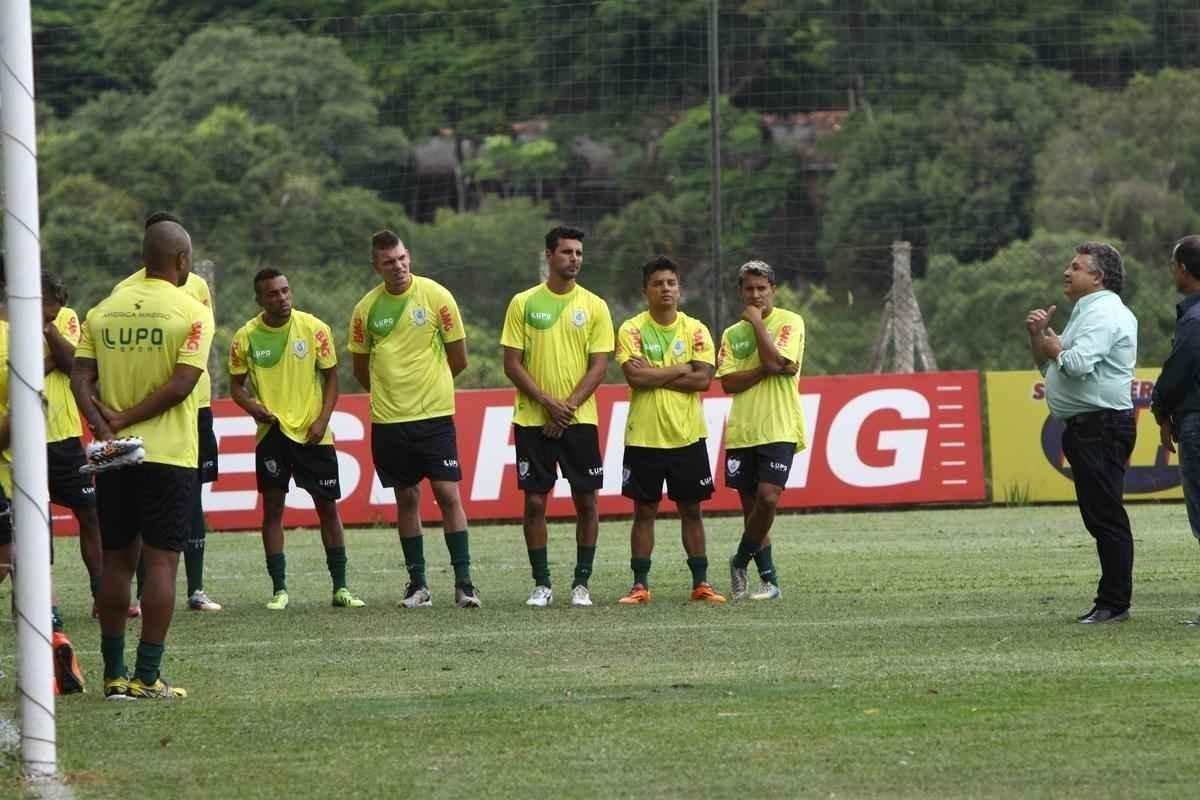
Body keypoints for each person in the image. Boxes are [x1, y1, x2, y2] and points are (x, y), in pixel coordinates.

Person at [71, 218, 212, 698]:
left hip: (113, 452)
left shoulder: (102, 311)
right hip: (169, 453)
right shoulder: (191, 309)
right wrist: (129, 417)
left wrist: (105, 424)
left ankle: (112, 675)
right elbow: (182, 385)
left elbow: (79, 377)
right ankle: (146, 677)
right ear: (181, 261)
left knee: (116, 562)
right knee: (161, 565)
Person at [349, 231, 479, 608]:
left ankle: (465, 583)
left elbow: (460, 358)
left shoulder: (438, 297)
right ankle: (418, 585)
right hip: (390, 421)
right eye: (390, 262)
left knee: (447, 493)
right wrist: (394, 395)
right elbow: (361, 368)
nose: (399, 266)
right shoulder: (365, 310)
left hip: (436, 417)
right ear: (377, 267)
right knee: (406, 497)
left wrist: (430, 389)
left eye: (403, 258)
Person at [231, 269, 365, 611]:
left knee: (327, 508)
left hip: (312, 433)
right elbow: (236, 386)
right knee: (273, 509)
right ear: (260, 299)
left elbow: (332, 378)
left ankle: (341, 588)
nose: (282, 298)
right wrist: (252, 407)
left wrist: (322, 420)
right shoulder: (245, 337)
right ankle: (279, 590)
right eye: (273, 294)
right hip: (272, 434)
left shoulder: (315, 328)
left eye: (286, 290)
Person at [113, 211, 221, 613]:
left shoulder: (197, 289)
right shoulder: (124, 291)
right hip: (146, 414)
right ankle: (142, 595)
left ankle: (196, 589)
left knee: (192, 498)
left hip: (197, 405)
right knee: (140, 511)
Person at [501, 225, 614, 607]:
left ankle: (581, 584)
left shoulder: (595, 306)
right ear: (549, 255)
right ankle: (542, 583)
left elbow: (599, 365)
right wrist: (548, 403)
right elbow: (512, 364)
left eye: (579, 253)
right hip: (534, 420)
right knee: (535, 502)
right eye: (567, 252)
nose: (574, 259)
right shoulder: (523, 303)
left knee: (587, 501)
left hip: (579, 420)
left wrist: (565, 410)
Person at [1026, 242, 1138, 624]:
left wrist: (1056, 346)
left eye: (1075, 266)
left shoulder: (1104, 314)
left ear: (1097, 277)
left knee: (1105, 517)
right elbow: (1051, 372)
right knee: (1100, 516)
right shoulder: (1087, 313)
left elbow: (1074, 364)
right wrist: (1038, 338)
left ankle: (1114, 603)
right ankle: (1110, 600)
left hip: (1101, 426)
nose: (1066, 271)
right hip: (1088, 427)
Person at [614, 256, 725, 604]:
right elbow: (635, 377)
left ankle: (701, 583)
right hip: (644, 436)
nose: (666, 289)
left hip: (687, 435)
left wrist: (656, 373)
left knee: (691, 510)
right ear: (645, 290)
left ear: (679, 289)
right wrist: (681, 368)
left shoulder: (695, 329)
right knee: (644, 511)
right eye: (658, 283)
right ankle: (640, 585)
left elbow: (704, 379)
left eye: (671, 283)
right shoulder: (631, 329)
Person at [0, 259, 84, 694]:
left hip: (11, 465)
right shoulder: (20, 341)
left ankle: (45, 653)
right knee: (28, 565)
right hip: (27, 470)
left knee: (14, 561)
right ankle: (54, 639)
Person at [717, 261, 806, 602]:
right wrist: (766, 368)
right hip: (743, 429)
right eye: (749, 289)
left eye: (762, 288)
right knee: (752, 509)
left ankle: (739, 560)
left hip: (780, 425)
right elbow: (728, 383)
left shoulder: (790, 321)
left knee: (768, 499)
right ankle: (769, 581)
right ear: (740, 291)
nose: (755, 295)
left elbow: (777, 364)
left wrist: (757, 325)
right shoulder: (730, 334)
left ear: (773, 290)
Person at [40, 271, 104, 612]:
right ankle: (39, 601)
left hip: (64, 435)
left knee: (90, 513)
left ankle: (101, 595)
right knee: (34, 524)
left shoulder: (63, 318)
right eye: (53, 303)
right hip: (19, 441)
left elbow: (71, 365)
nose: (60, 309)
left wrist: (47, 328)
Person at [1151, 235, 1200, 625]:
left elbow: (1178, 372)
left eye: (1173, 264)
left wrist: (1160, 407)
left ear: (1183, 269)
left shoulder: (1195, 320)